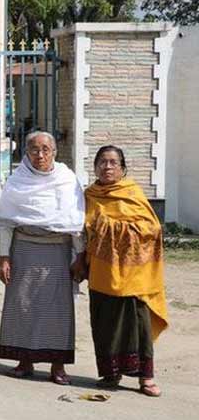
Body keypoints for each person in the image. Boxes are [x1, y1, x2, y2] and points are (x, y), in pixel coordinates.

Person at [80, 145, 169, 397]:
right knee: (104, 322)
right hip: (101, 272)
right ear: (95, 166)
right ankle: (111, 373)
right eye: (102, 162)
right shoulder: (90, 195)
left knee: (138, 324)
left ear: (122, 168)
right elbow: (80, 230)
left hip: (134, 276)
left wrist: (108, 226)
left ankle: (146, 377)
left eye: (113, 162)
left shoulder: (132, 193)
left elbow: (152, 229)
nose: (107, 167)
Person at [0, 131, 84, 385]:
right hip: (23, 250)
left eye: (46, 149)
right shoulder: (16, 181)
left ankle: (58, 366)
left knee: (58, 311)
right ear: (26, 153)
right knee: (22, 305)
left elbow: (76, 221)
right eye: (34, 150)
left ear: (55, 152)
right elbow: (6, 222)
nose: (40, 155)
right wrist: (4, 257)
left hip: (58, 252)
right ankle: (25, 361)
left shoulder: (67, 180)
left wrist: (79, 256)